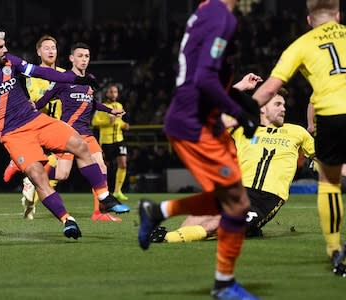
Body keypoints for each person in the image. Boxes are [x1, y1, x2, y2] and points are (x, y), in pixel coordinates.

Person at [0, 27, 124, 240]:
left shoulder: (9, 61)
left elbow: (40, 71)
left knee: (80, 145)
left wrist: (74, 79)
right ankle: (67, 220)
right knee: (38, 176)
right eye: (0, 46)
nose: (5, 49)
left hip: (36, 120)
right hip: (13, 134)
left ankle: (104, 196)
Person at [137, 1, 261, 299]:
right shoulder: (221, 17)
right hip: (194, 124)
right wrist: (239, 112)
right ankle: (223, 284)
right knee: (236, 204)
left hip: (204, 121)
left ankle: (157, 211)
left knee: (231, 203)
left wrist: (240, 100)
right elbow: (205, 78)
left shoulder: (205, 12)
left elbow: (203, 73)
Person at [252, 0, 346, 277]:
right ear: (339, 15)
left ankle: (334, 249)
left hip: (331, 115)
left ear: (309, 19)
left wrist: (242, 110)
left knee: (330, 183)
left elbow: (272, 87)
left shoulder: (303, 43)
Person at [150, 88, 315, 243]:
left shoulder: (297, 132)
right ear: (262, 108)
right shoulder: (244, 129)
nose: (283, 109)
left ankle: (165, 238)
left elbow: (321, 156)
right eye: (278, 104)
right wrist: (241, 88)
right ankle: (175, 235)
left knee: (219, 224)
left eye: (284, 105)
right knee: (198, 215)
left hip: (265, 198)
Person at [32, 42, 129, 222]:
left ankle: (99, 213)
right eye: (80, 56)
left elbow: (91, 103)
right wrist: (33, 108)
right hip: (68, 133)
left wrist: (110, 110)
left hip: (86, 132)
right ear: (71, 58)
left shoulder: (90, 79)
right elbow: (45, 99)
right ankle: (35, 175)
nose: (84, 60)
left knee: (101, 167)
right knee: (62, 175)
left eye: (86, 56)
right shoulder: (64, 78)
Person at [2, 34, 66, 219]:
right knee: (58, 167)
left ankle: (30, 198)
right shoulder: (33, 75)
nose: (51, 51)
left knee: (61, 173)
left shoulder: (63, 74)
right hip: (38, 129)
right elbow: (36, 101)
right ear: (38, 52)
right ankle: (28, 179)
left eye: (53, 47)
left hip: (58, 127)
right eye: (46, 48)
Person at [92, 83, 130, 201]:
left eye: (115, 92)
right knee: (105, 167)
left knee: (123, 164)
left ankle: (118, 191)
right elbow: (94, 122)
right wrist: (108, 121)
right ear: (106, 93)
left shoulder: (119, 105)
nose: (114, 94)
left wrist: (124, 125)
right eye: (111, 92)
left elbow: (119, 122)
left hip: (119, 139)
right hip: (106, 141)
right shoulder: (102, 107)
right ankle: (104, 191)